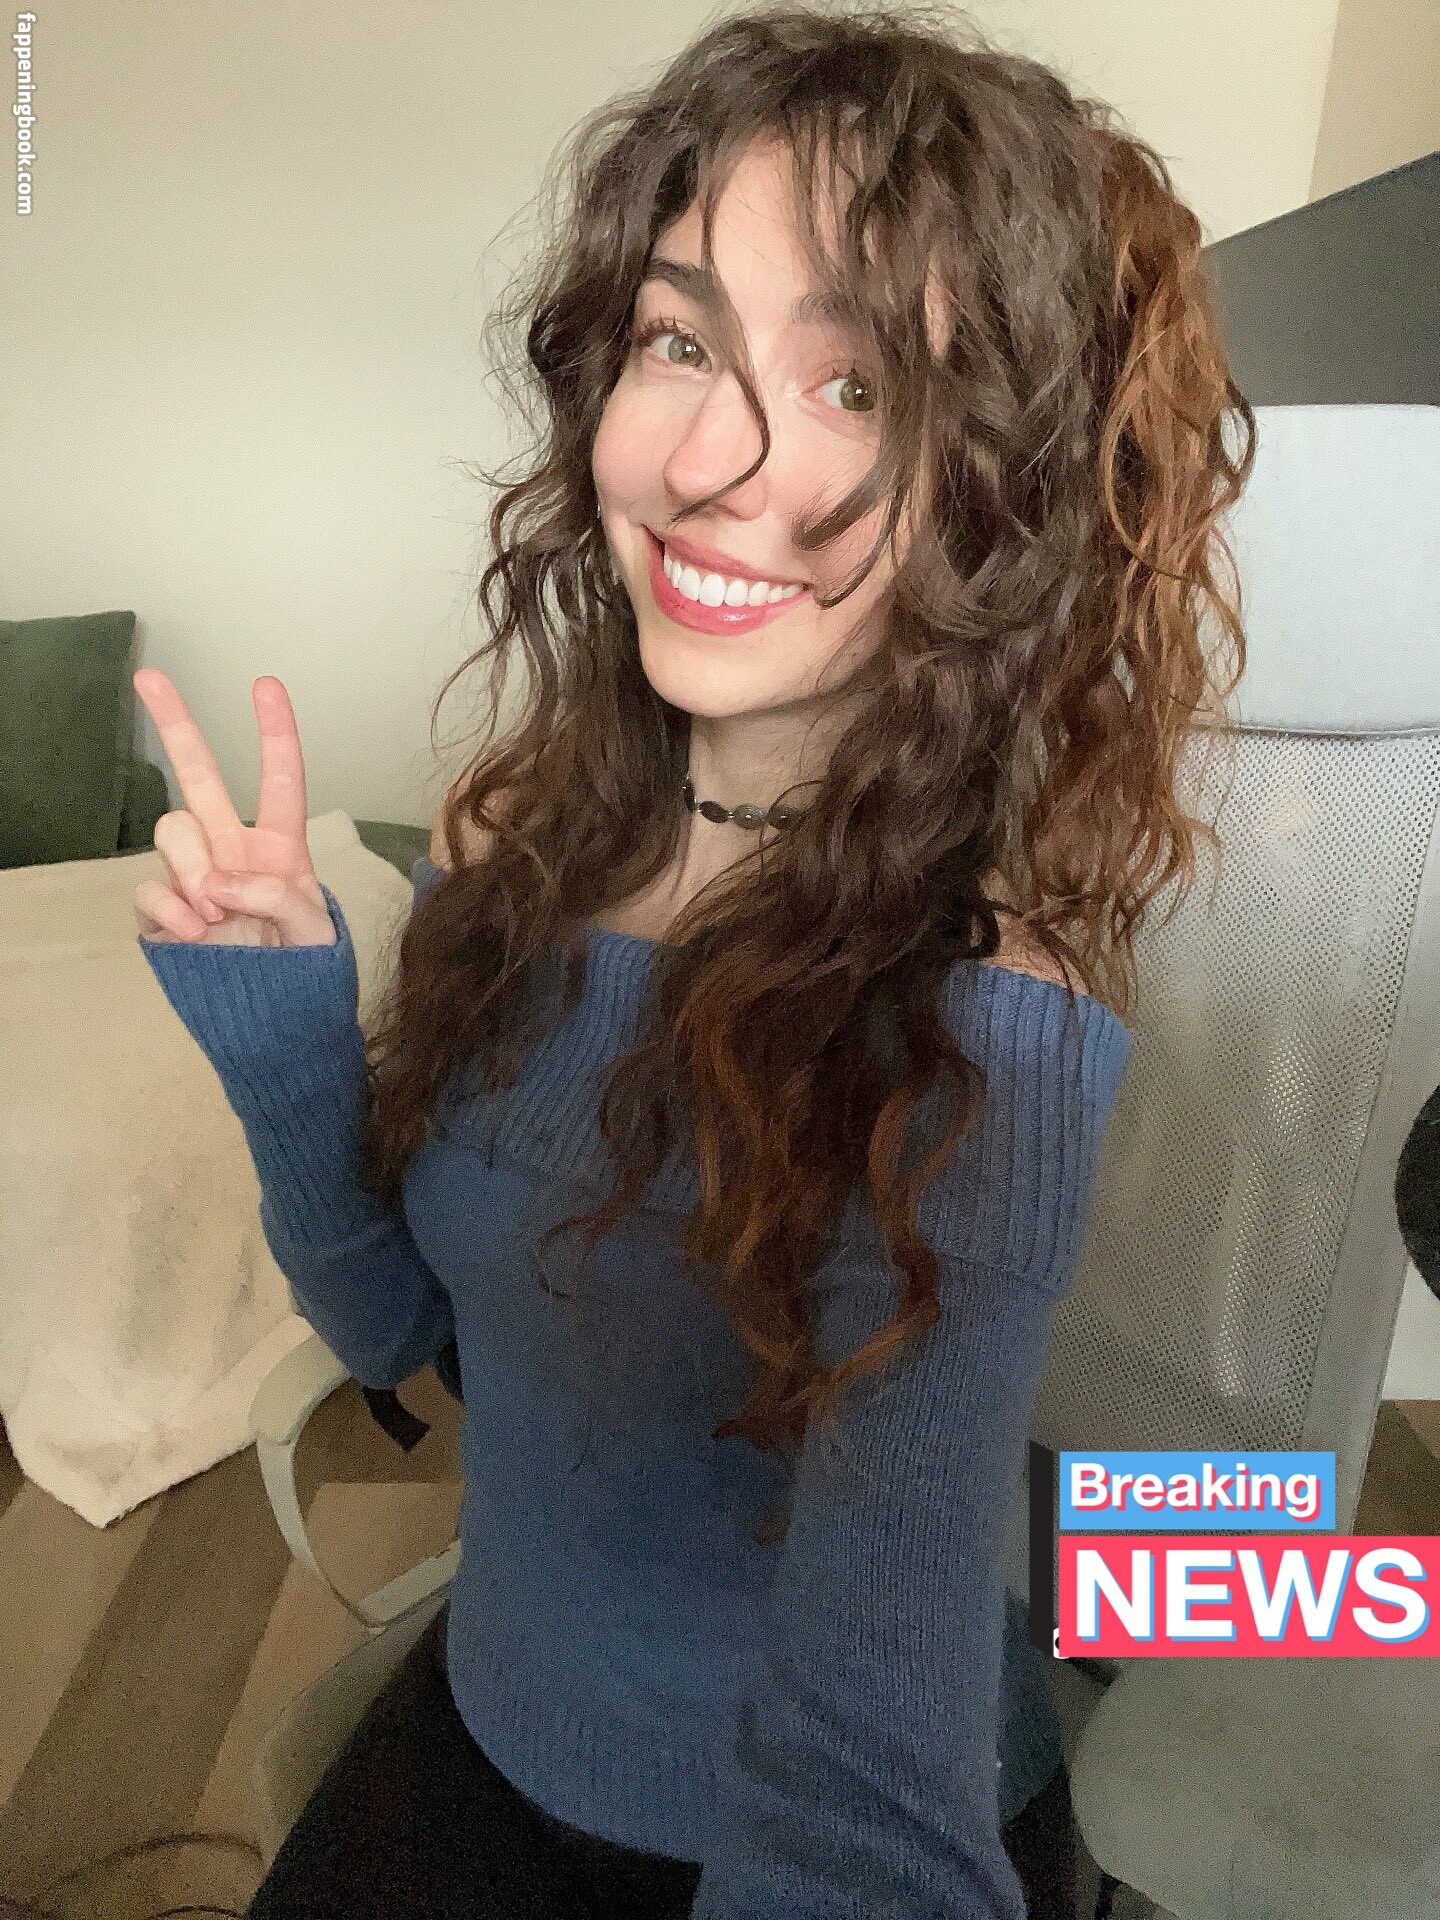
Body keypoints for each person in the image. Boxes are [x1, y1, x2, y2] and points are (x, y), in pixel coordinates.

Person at [132, 6, 1255, 1916]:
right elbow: (409, 1338)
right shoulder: (518, 839)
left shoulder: (985, 1024)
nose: (708, 460)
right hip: (495, 1717)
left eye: (857, 384)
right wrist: (281, 1028)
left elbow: (867, 1785)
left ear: (999, 495)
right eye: (679, 341)